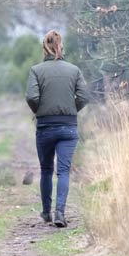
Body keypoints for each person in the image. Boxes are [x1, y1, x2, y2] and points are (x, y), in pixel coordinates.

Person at [25, 30, 87, 227]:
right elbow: (84, 96)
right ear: (61, 46)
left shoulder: (36, 70)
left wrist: (41, 111)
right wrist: (70, 110)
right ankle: (60, 212)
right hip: (68, 126)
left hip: (45, 127)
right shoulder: (74, 70)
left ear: (45, 47)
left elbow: (32, 97)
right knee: (64, 172)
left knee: (45, 170)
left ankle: (45, 213)